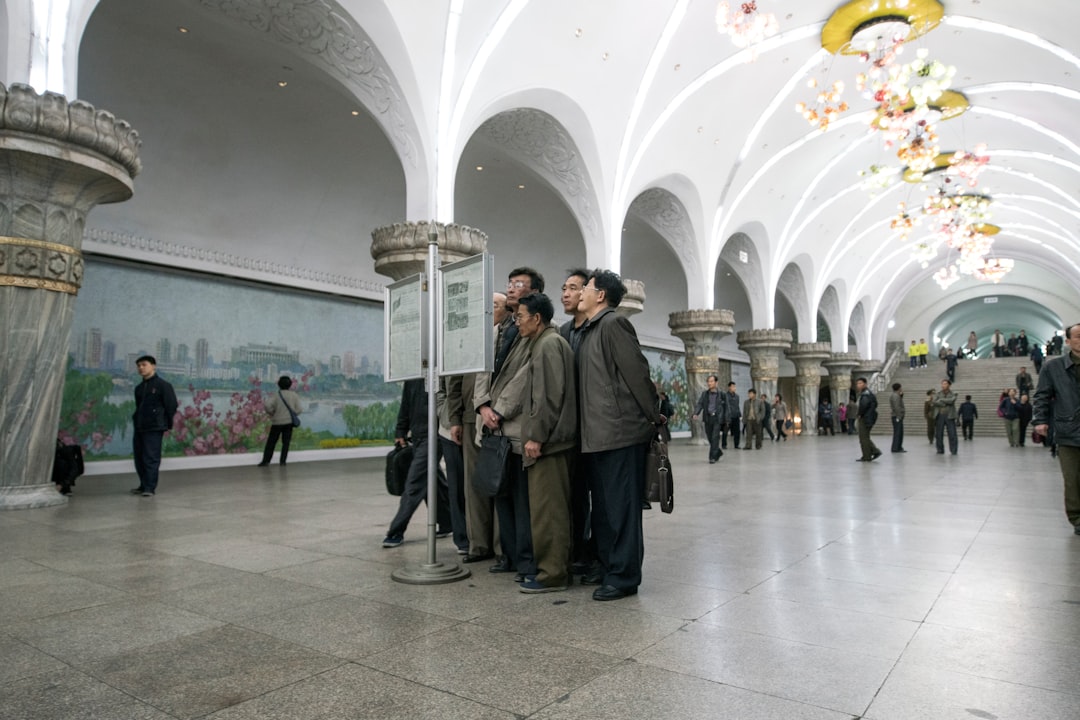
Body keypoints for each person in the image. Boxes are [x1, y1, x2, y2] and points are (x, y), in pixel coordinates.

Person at [576, 269, 664, 601]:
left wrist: (652, 417)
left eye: (586, 287)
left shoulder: (614, 324)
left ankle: (624, 577)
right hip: (597, 435)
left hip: (619, 433)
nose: (581, 292)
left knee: (622, 510)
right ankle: (608, 565)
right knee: (605, 509)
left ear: (600, 295)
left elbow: (638, 374)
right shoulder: (590, 330)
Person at [475, 279, 538, 581]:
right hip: (492, 426)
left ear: (532, 292)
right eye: (510, 283)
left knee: (521, 500)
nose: (512, 288)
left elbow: (525, 377)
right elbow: (482, 371)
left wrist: (499, 410)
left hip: (514, 425)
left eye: (519, 284)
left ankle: (526, 561)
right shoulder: (496, 330)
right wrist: (482, 406)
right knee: (499, 492)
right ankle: (508, 556)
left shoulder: (536, 331)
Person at [516, 293, 577, 593]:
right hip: (553, 441)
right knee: (550, 509)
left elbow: (548, 396)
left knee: (548, 511)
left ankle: (552, 574)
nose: (517, 323)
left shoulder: (549, 344)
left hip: (549, 444)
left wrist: (536, 436)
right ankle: (554, 569)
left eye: (520, 316)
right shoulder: (547, 342)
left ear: (536, 318)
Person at [382, 378, 452, 548]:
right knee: (433, 479)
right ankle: (448, 521)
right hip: (418, 436)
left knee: (415, 482)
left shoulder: (440, 373)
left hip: (436, 435)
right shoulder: (414, 375)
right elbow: (406, 403)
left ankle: (396, 531)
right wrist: (401, 431)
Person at [558, 269, 594, 575]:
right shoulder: (563, 332)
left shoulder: (598, 328)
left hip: (595, 427)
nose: (565, 294)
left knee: (596, 494)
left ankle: (593, 552)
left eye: (573, 287)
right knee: (573, 493)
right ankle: (576, 550)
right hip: (569, 427)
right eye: (564, 288)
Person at [1032, 322, 1080, 535]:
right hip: (1068, 430)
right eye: (1078, 336)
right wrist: (1040, 420)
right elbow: (1042, 395)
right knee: (1072, 479)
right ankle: (1077, 518)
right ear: (1068, 341)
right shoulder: (1053, 367)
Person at [130, 355, 178, 497]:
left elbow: (171, 406)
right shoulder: (139, 388)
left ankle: (150, 487)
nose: (141, 368)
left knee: (151, 457)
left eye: (144, 365)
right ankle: (143, 485)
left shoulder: (163, 385)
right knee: (139, 458)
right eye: (139, 366)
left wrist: (164, 422)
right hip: (140, 426)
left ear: (153, 366)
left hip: (154, 427)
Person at [258, 375, 302, 467]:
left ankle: (266, 461)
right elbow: (299, 409)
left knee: (271, 442)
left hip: (277, 422)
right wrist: (293, 414)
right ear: (290, 385)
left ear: (279, 384)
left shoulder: (276, 395)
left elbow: (267, 405)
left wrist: (272, 412)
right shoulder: (294, 395)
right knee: (286, 443)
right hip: (289, 423)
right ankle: (283, 461)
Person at [692, 374, 726, 463]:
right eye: (708, 381)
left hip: (717, 419)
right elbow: (700, 404)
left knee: (715, 438)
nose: (709, 383)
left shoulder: (722, 394)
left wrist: (727, 419)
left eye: (711, 381)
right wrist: (696, 413)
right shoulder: (705, 394)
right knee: (710, 438)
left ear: (716, 382)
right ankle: (718, 452)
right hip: (708, 418)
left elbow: (727, 407)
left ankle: (712, 457)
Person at [854, 377, 881, 462]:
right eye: (857, 384)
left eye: (860, 383)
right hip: (868, 417)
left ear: (865, 384)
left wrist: (859, 414)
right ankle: (872, 452)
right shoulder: (868, 393)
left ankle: (868, 455)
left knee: (863, 438)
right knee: (865, 437)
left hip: (865, 418)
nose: (858, 385)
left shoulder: (865, 394)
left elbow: (864, 405)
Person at [932, 379, 959, 455]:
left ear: (949, 385)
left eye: (945, 384)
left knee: (952, 433)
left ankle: (953, 450)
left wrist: (941, 400)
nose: (943, 385)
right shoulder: (938, 393)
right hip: (940, 415)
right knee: (939, 434)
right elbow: (934, 402)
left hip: (950, 415)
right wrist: (944, 403)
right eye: (942, 384)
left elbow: (952, 401)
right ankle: (940, 449)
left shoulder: (953, 393)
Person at [722, 381, 741, 449]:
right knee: (725, 431)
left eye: (734, 386)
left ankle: (736, 445)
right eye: (733, 386)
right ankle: (724, 444)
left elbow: (737, 406)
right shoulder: (725, 396)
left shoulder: (737, 396)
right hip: (728, 417)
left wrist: (739, 414)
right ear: (729, 387)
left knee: (737, 431)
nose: (734, 388)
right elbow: (723, 407)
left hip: (736, 416)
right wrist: (725, 417)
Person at [889, 382, 906, 453]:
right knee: (898, 433)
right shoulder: (895, 396)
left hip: (896, 416)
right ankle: (896, 448)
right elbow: (897, 407)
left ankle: (898, 447)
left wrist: (901, 396)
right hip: (896, 416)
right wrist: (899, 416)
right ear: (899, 388)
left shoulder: (896, 395)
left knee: (899, 432)